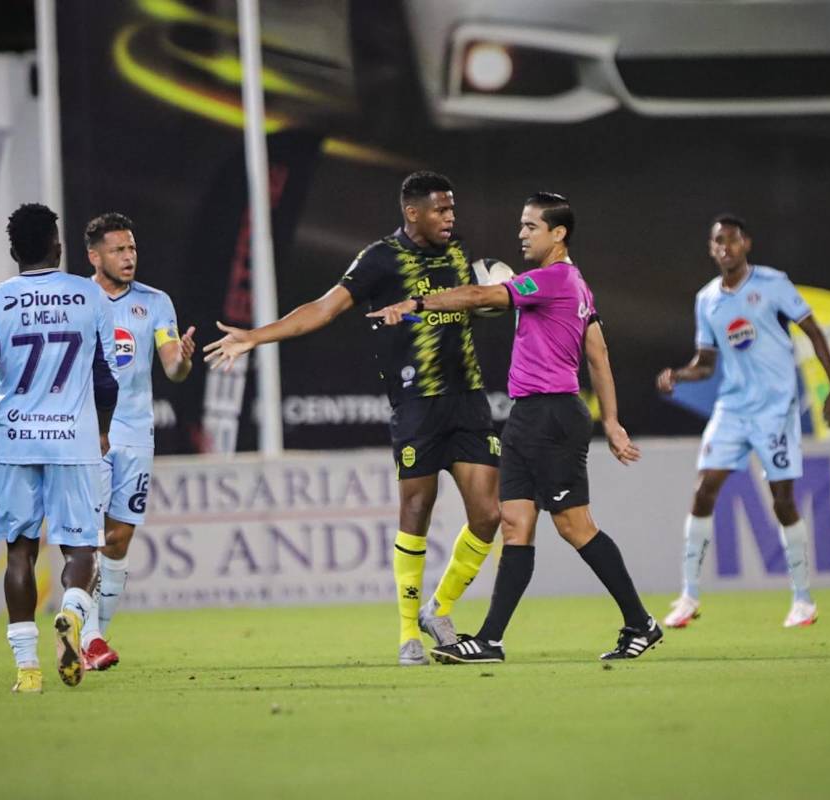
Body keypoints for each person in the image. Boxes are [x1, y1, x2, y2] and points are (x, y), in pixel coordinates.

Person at [204, 172, 501, 666]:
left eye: (452, 209)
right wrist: (255, 337)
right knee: (417, 509)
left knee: (488, 516)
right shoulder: (380, 258)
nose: (451, 218)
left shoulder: (458, 254)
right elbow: (323, 309)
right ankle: (408, 634)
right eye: (441, 210)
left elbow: (473, 302)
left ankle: (438, 609)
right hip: (416, 404)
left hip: (467, 399)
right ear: (412, 212)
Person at [370, 192, 657, 664]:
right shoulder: (578, 286)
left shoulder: (554, 279)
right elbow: (598, 353)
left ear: (558, 233)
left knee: (574, 525)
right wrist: (610, 421)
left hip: (551, 415)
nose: (521, 234)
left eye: (530, 226)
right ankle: (490, 640)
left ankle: (640, 622)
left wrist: (417, 302)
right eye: (521, 225)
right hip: (529, 416)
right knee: (514, 525)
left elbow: (482, 296)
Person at [0, 203, 119, 693]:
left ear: (15, 250)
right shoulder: (89, 295)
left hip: (16, 441)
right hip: (73, 440)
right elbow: (106, 379)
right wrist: (102, 429)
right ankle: (71, 616)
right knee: (81, 549)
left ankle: (27, 671)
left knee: (19, 553)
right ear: (56, 246)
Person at [656, 215, 830, 629]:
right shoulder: (707, 299)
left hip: (775, 409)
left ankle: (803, 599)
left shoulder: (773, 284)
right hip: (733, 408)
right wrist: (679, 375)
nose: (726, 247)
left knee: (782, 500)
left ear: (747, 244)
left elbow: (813, 332)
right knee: (704, 490)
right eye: (718, 241)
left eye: (732, 240)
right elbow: (706, 363)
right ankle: (688, 595)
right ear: (711, 249)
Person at [78, 213, 195, 671]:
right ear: (95, 256)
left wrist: (183, 360)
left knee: (119, 538)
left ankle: (92, 638)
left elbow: (172, 367)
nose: (129, 257)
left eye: (132, 249)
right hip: (87, 434)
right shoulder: (77, 300)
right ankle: (89, 639)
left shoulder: (155, 303)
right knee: (87, 536)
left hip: (135, 433)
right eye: (118, 250)